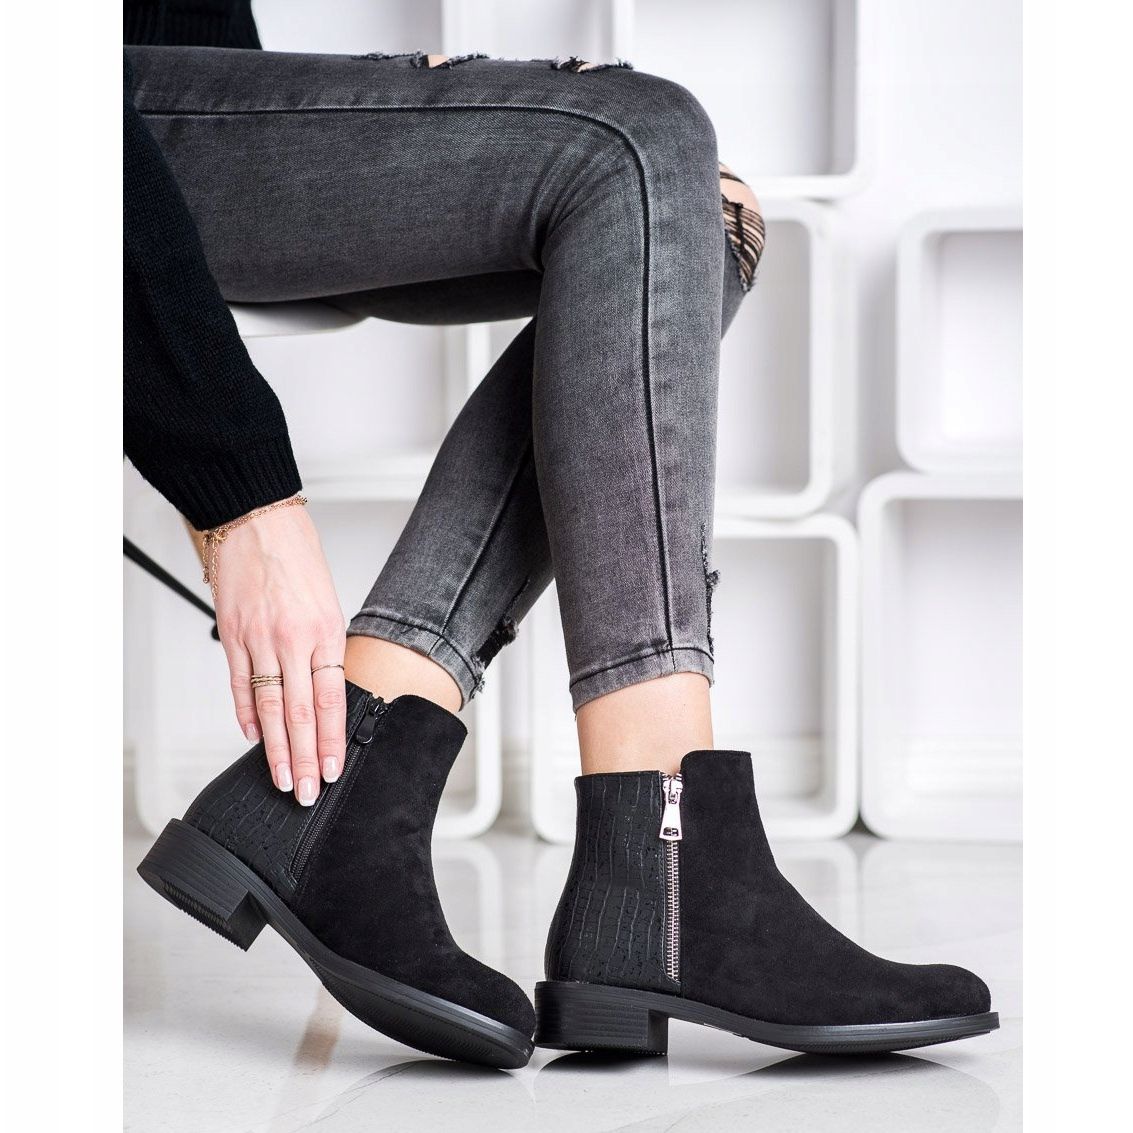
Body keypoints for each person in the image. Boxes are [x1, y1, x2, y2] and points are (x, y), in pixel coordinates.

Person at [127, 0, 996, 1070]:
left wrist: (315, 105)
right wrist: (242, 496)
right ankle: (658, 862)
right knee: (637, 142)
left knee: (701, 211)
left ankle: (361, 756)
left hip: (167, 108)